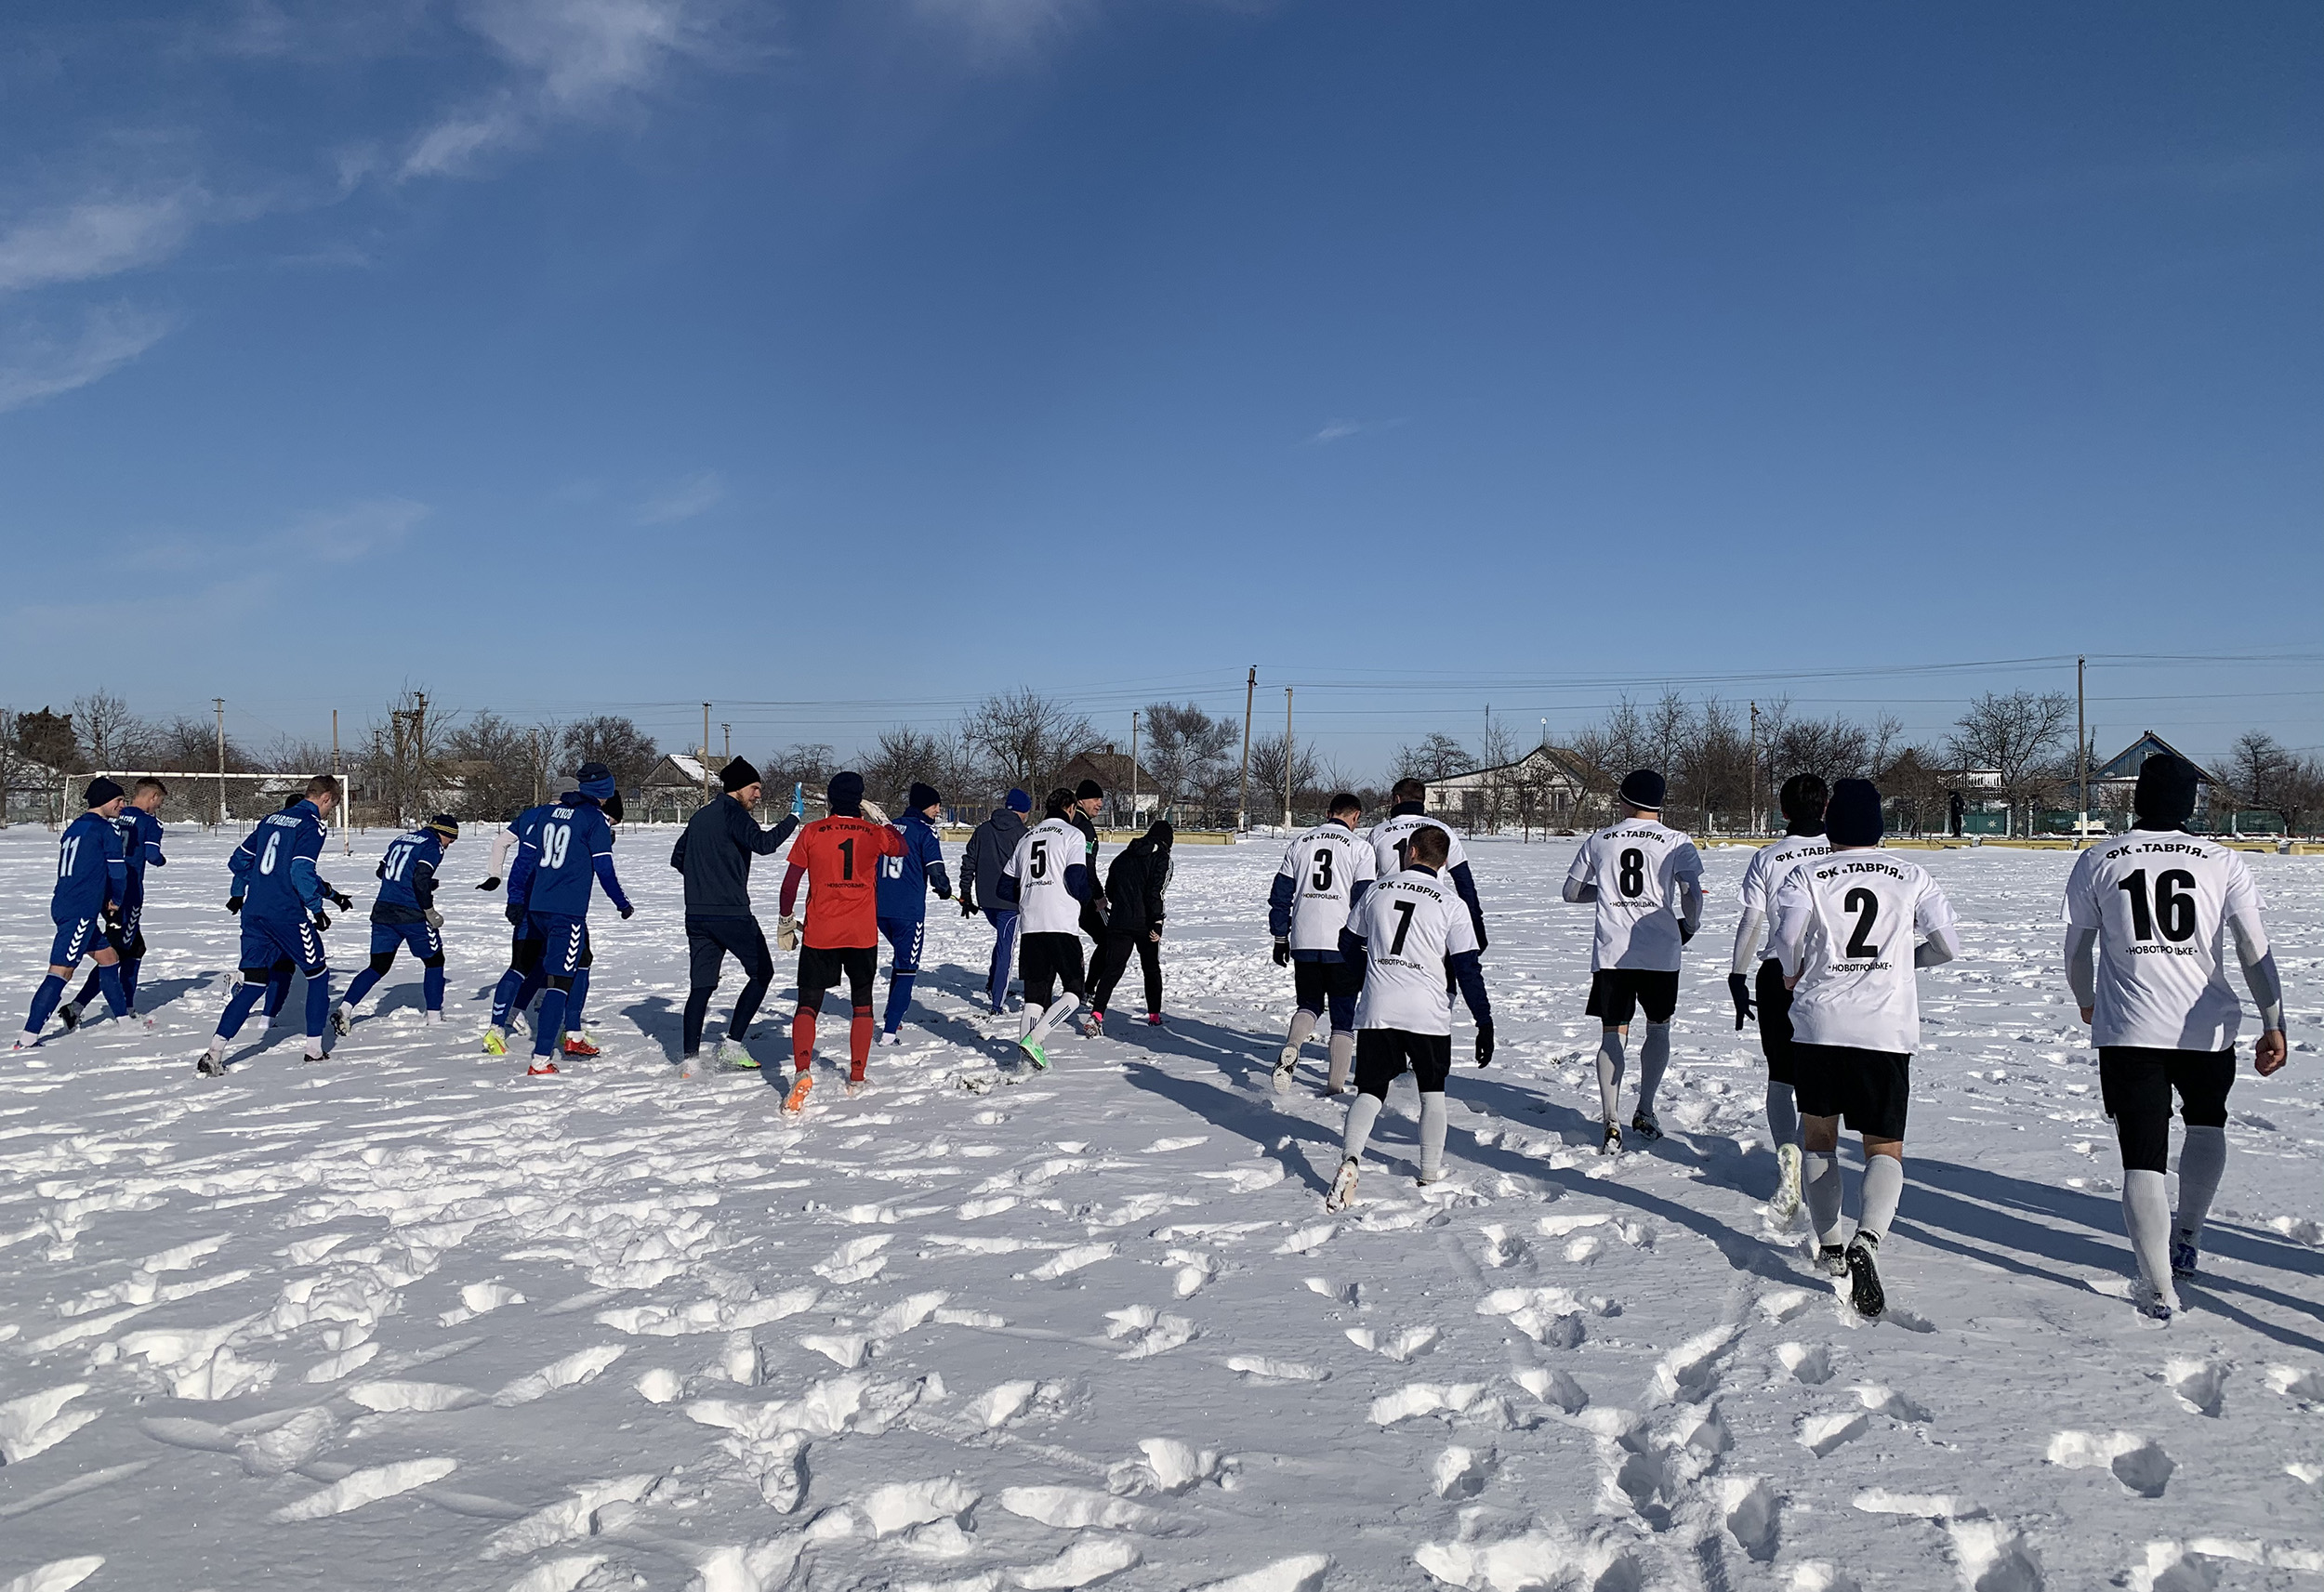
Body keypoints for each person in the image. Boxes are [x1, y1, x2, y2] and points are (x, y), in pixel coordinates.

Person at [2063, 753, 2288, 1322]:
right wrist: (2274, 1019)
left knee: (2142, 1156)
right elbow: (2252, 947)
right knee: (2207, 1123)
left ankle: (2160, 1286)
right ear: (2191, 803)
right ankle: (2188, 1232)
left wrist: (2087, 1001)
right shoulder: (2222, 860)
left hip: (2130, 1028)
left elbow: (2077, 949)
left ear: (2138, 798)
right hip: (2206, 1026)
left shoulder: (2099, 857)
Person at [1770, 777, 1961, 1319]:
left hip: (1822, 1024)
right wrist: (1907, 963)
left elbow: (1786, 939)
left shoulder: (1808, 873)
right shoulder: (1912, 874)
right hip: (1886, 1028)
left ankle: (1830, 1246)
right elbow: (1950, 945)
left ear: (1831, 823)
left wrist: (1791, 972)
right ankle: (1867, 1240)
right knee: (1884, 1144)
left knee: (1820, 1138)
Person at [1324, 823, 1494, 1210]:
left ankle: (1351, 1158)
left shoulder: (1376, 890)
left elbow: (1346, 943)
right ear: (1444, 861)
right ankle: (1429, 1172)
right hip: (1428, 1012)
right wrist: (1484, 1022)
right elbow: (1468, 968)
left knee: (1369, 1092)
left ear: (1411, 853)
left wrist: (1368, 970)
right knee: (1432, 1095)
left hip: (1378, 1008)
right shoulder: (1451, 903)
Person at [1563, 770, 1704, 1152]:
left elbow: (1571, 892)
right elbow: (1691, 892)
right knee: (1658, 1027)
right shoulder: (1677, 840)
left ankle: (1611, 1120)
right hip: (1660, 950)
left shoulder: (1600, 839)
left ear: (1625, 799)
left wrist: (1608, 894)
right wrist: (1689, 926)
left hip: (1613, 952)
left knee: (1613, 1033)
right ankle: (1645, 1109)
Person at [1726, 774, 1831, 1217]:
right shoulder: (1840, 853)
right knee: (1820, 1080)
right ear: (1825, 809)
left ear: (1783, 811)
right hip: (1827, 975)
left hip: (1774, 973)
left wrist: (1736, 973)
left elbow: (1752, 923)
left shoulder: (1767, 858)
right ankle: (1813, 1165)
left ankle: (1787, 1160)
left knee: (1780, 1076)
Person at [776, 771, 905, 1108]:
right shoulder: (874, 833)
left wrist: (786, 919)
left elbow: (790, 884)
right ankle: (858, 1076)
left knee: (808, 1004)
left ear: (831, 800)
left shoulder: (812, 831)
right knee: (861, 1004)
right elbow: (901, 848)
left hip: (821, 932)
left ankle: (802, 1070)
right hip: (861, 933)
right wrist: (882, 819)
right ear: (860, 801)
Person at [201, 775, 343, 1075]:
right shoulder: (312, 823)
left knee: (253, 982)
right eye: (333, 806)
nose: (330, 812)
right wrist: (316, 909)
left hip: (254, 912)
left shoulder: (271, 819)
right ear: (326, 798)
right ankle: (314, 1050)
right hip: (286, 912)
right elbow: (301, 869)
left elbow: (238, 861)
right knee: (318, 975)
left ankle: (215, 1052)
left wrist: (261, 882)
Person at [507, 763, 633, 1076]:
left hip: (538, 907)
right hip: (567, 912)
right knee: (559, 982)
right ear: (604, 792)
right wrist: (622, 903)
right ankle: (541, 1059)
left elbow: (524, 860)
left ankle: (574, 1032)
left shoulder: (547, 814)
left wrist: (515, 897)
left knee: (584, 958)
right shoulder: (594, 820)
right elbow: (604, 870)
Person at [670, 758, 797, 1073]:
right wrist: (794, 818)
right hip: (731, 914)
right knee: (762, 972)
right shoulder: (733, 814)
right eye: (754, 789)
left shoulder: (700, 816)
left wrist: (704, 879)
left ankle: (689, 1061)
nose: (757, 796)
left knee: (701, 986)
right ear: (738, 788)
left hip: (697, 915)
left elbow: (678, 858)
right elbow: (764, 844)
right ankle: (732, 1045)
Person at [484, 789, 623, 1057]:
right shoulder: (582, 818)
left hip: (533, 904)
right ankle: (569, 1031)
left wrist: (502, 884)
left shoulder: (536, 814)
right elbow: (530, 861)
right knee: (575, 963)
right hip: (555, 905)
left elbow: (503, 844)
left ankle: (500, 1025)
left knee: (530, 964)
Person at [1269, 792, 1376, 1094]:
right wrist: (1365, 941)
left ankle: (1292, 1044)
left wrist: (1280, 935)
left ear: (1328, 813)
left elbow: (1281, 894)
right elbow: (1363, 899)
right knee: (1343, 1016)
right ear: (1355, 817)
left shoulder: (1300, 843)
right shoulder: (1360, 848)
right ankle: (1334, 1085)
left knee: (1309, 1004)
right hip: (1343, 942)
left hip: (1304, 939)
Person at [17, 778, 135, 1049]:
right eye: (118, 800)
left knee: (108, 958)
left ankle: (125, 1024)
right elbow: (118, 873)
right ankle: (28, 1037)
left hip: (65, 902)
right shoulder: (105, 831)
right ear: (104, 801)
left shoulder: (75, 827)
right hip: (81, 909)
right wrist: (115, 899)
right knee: (62, 970)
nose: (122, 805)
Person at [997, 789, 1098, 1070]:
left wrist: (1031, 895)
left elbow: (1003, 886)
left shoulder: (1026, 838)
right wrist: (1087, 899)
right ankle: (1035, 1040)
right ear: (1068, 808)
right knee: (1075, 992)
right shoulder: (1072, 834)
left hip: (1031, 925)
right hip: (1061, 923)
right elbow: (1076, 879)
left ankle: (1024, 1061)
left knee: (1035, 996)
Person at [331, 815, 458, 1033]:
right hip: (411, 913)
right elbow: (420, 878)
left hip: (383, 910)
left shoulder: (401, 839)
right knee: (435, 960)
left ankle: (346, 1008)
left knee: (378, 965)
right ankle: (435, 1018)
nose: (450, 845)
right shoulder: (433, 845)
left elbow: (382, 871)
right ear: (444, 834)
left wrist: (418, 883)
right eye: (451, 840)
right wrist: (429, 909)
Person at [59, 776, 169, 1028]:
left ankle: (90, 1006)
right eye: (159, 802)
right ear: (152, 797)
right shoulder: (150, 823)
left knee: (135, 948)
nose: (158, 807)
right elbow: (152, 855)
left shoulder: (115, 816)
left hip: (104, 890)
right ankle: (112, 1008)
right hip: (127, 894)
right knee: (120, 951)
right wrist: (161, 860)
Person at [1366, 779, 1487, 951]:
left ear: (1397, 799)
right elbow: (1463, 881)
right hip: (1430, 912)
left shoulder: (1378, 832)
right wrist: (1476, 924)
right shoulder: (1441, 830)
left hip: (1387, 916)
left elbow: (1366, 881)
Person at [875, 782, 954, 1045]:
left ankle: (890, 1013)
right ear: (924, 806)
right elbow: (937, 874)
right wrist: (944, 888)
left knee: (900, 960)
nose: (938, 810)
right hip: (907, 912)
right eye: (935, 805)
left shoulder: (888, 828)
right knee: (908, 967)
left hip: (879, 909)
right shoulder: (925, 832)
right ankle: (889, 1031)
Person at [1088, 820, 1173, 1033]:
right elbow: (1156, 892)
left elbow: (1110, 888)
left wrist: (1123, 907)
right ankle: (1154, 1016)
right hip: (1146, 924)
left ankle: (1097, 1015)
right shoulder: (1162, 858)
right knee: (1151, 968)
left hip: (1119, 920)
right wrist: (1157, 921)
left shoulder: (1123, 856)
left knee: (1113, 968)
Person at [958, 789, 1031, 1016]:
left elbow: (969, 861)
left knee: (1001, 943)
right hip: (1010, 902)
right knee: (1005, 949)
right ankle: (997, 1002)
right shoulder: (1023, 834)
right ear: (1025, 811)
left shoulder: (982, 830)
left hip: (986, 899)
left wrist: (965, 893)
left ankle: (992, 984)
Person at [1070, 778, 1110, 948]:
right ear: (1080, 801)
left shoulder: (1068, 822)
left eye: (1101, 799)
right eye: (1095, 799)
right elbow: (1086, 865)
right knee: (1110, 937)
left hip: (1064, 894)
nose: (1099, 803)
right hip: (1083, 895)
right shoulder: (1084, 827)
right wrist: (1098, 895)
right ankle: (1097, 976)